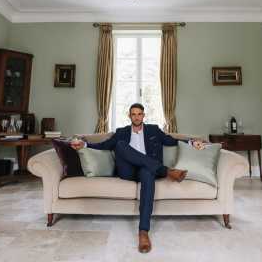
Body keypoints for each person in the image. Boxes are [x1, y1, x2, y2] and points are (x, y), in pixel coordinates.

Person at [71, 103, 205, 253]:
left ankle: (143, 233)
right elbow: (105, 145)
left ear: (143, 115)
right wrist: (85, 144)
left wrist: (192, 142)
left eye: (139, 114)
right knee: (120, 145)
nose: (136, 117)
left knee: (147, 173)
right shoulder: (121, 132)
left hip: (146, 169)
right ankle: (167, 171)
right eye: (133, 114)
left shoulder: (153, 130)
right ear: (129, 116)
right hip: (127, 170)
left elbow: (172, 140)